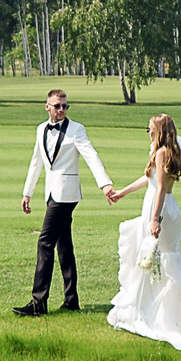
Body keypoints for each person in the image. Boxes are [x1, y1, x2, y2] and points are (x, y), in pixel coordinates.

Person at [104, 114, 181, 349]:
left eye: (150, 129)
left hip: (159, 206)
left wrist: (154, 219)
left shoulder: (162, 152)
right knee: (158, 260)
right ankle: (164, 312)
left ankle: (173, 317)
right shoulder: (167, 152)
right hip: (162, 206)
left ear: (160, 130)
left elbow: (160, 188)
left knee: (164, 260)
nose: (148, 132)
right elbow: (149, 179)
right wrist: (122, 193)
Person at [17, 88, 114, 317]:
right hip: (51, 193)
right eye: (57, 106)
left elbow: (91, 156)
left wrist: (105, 184)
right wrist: (27, 193)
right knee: (64, 246)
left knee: (44, 242)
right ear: (47, 107)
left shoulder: (77, 129)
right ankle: (71, 301)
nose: (61, 110)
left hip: (67, 194)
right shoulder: (41, 129)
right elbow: (36, 162)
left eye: (65, 106)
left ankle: (39, 303)